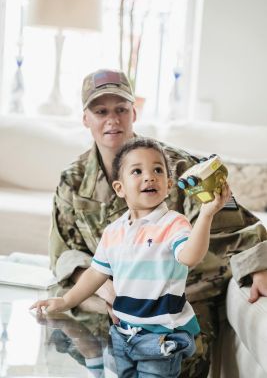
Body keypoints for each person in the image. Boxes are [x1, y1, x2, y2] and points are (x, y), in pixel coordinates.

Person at [48, 68, 267, 377]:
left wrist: (258, 264)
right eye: (101, 111)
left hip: (176, 302)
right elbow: (63, 253)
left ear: (133, 113)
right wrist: (106, 288)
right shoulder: (72, 180)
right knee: (68, 335)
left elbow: (236, 223)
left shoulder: (179, 166)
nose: (113, 119)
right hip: (107, 300)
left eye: (121, 109)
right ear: (86, 119)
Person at [31, 138, 231, 377]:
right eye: (137, 171)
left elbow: (190, 256)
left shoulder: (174, 223)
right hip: (123, 333)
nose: (149, 177)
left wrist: (206, 216)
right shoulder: (114, 231)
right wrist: (65, 302)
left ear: (168, 185)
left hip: (162, 336)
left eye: (158, 170)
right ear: (120, 188)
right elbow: (96, 273)